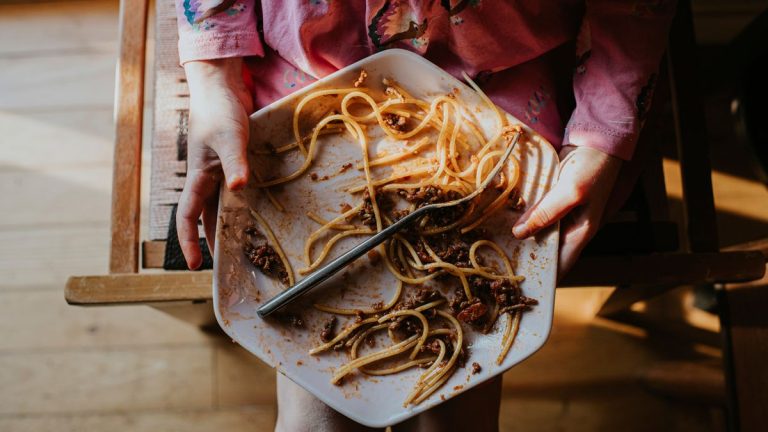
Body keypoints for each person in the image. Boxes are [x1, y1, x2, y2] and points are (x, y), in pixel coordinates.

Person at [174, 1, 676, 431]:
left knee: (457, 404)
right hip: (307, 80)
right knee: (318, 415)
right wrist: (214, 79)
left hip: (503, 93)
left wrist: (600, 140)